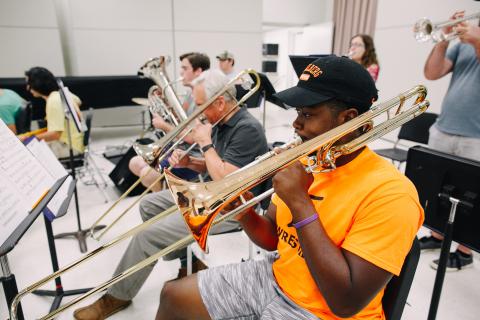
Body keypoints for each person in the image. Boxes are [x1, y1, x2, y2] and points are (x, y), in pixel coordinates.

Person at [155, 55, 424, 320]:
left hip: (324, 313)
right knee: (173, 295)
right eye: (297, 112)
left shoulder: (392, 193)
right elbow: (272, 237)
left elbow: (345, 302)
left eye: (307, 114)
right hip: (277, 277)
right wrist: (243, 211)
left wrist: (300, 202)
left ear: (348, 118)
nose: (296, 124)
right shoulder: (308, 160)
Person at [73, 69, 268, 320]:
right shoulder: (220, 121)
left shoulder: (247, 129)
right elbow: (217, 165)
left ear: (220, 102)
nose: (197, 112)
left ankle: (116, 296)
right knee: (149, 205)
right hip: (208, 193)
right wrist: (190, 162)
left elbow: (227, 179)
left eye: (200, 105)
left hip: (233, 207)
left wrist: (205, 143)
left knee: (148, 236)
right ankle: (190, 264)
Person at [419, 10, 480, 271]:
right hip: (444, 128)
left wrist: (477, 41)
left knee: (471, 196)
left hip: (476, 136)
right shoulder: (462, 46)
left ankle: (465, 251)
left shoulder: (474, 42)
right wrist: (443, 39)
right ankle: (436, 235)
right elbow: (432, 73)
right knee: (438, 188)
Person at [128, 52, 210, 191]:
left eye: (185, 68)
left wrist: (163, 125)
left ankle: (162, 199)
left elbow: (193, 138)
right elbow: (179, 119)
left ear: (198, 71)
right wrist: (164, 100)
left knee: (146, 175)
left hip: (193, 155)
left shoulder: (204, 97)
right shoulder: (191, 92)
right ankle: (162, 193)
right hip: (178, 148)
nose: (180, 72)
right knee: (134, 163)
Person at [24, 67, 84, 157]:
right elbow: (78, 101)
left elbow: (55, 134)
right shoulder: (63, 94)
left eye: (29, 84)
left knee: (27, 153)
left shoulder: (53, 101)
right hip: (79, 143)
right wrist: (29, 135)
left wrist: (28, 139)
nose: (28, 88)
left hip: (69, 147)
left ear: (37, 84)